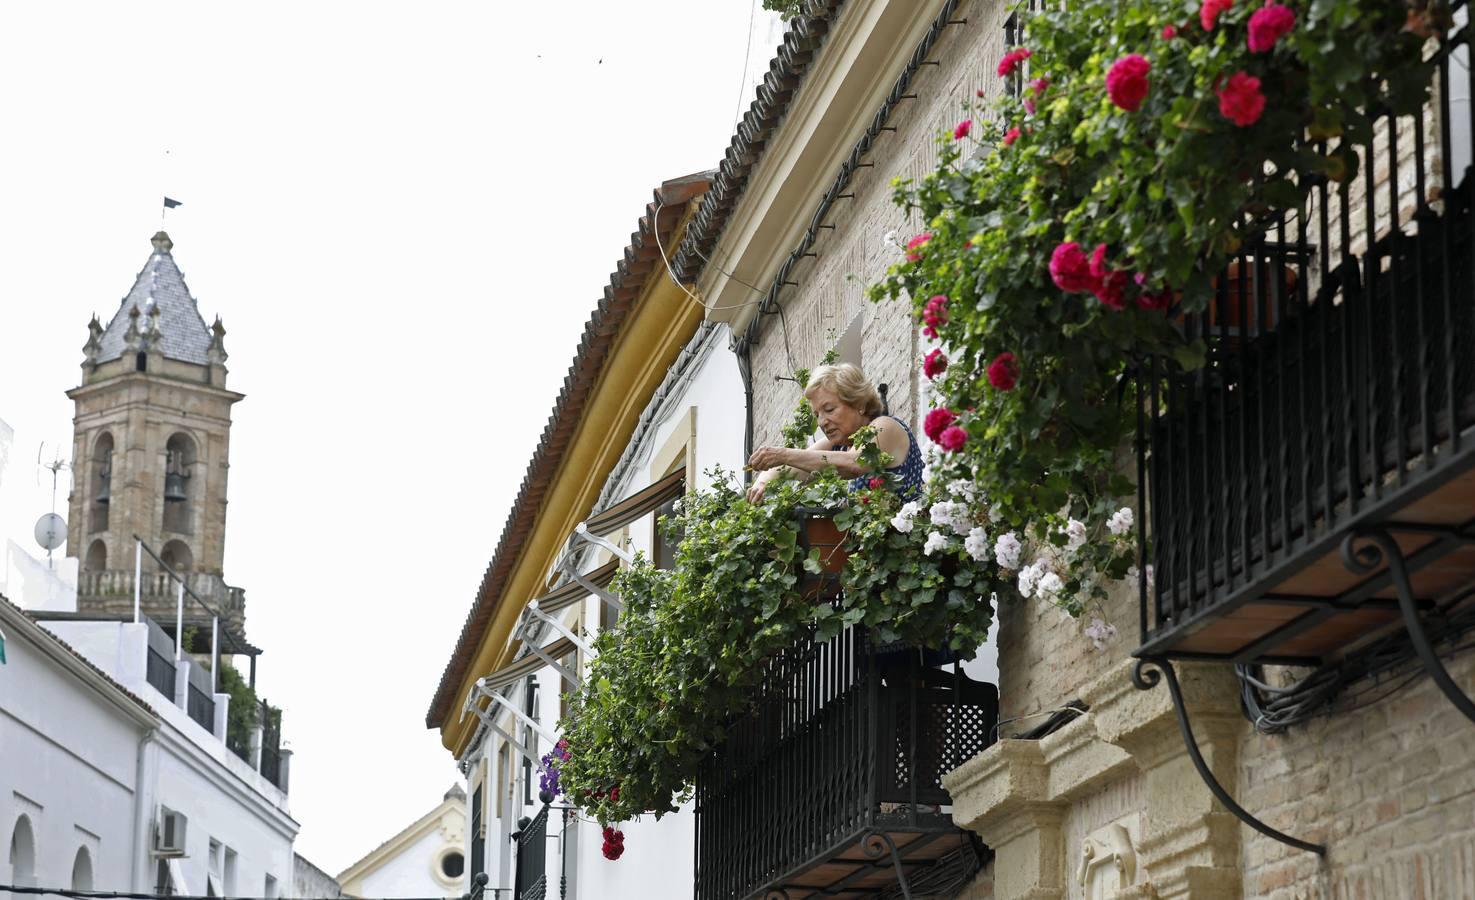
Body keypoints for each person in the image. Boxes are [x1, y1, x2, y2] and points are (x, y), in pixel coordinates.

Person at [746, 363, 924, 504]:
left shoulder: (884, 426)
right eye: (817, 415)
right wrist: (762, 483)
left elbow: (854, 464)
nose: (822, 422)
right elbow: (790, 469)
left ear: (859, 404)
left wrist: (783, 454)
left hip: (910, 546)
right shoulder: (839, 446)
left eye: (829, 409)